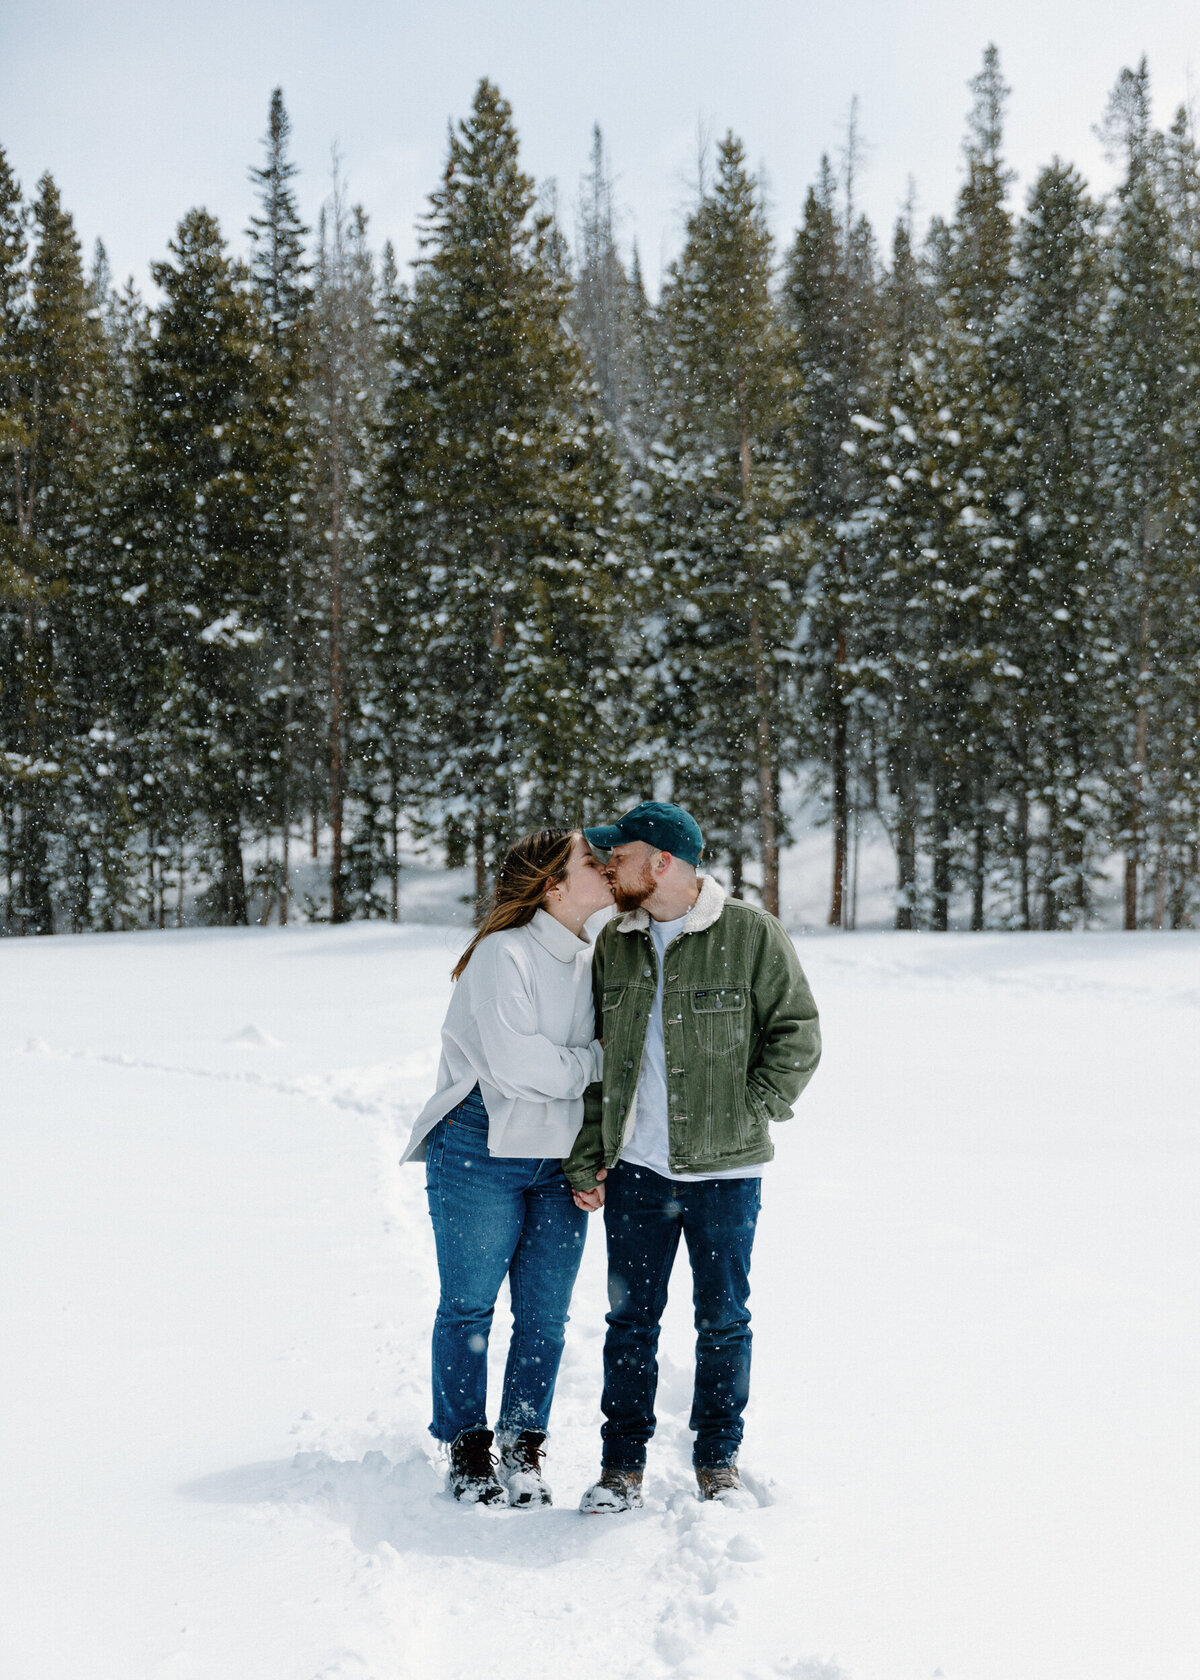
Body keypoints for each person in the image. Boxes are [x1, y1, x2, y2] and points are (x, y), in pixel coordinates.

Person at [564, 801, 821, 1511]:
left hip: (726, 1175)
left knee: (724, 1320)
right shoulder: (615, 944)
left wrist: (751, 1109)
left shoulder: (750, 935)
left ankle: (718, 1461)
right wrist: (591, 1154)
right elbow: (602, 1064)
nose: (610, 865)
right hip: (640, 1173)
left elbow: (796, 1033)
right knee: (630, 1322)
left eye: (622, 853)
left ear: (664, 863)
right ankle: (621, 1469)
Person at [400, 828, 614, 1507]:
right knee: (469, 1306)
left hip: (559, 1155)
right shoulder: (503, 953)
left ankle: (524, 1447)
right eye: (589, 861)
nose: (604, 868)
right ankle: (467, 1447)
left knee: (545, 1316)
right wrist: (596, 1066)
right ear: (553, 886)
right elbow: (519, 1067)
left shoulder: (595, 954)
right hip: (479, 1146)